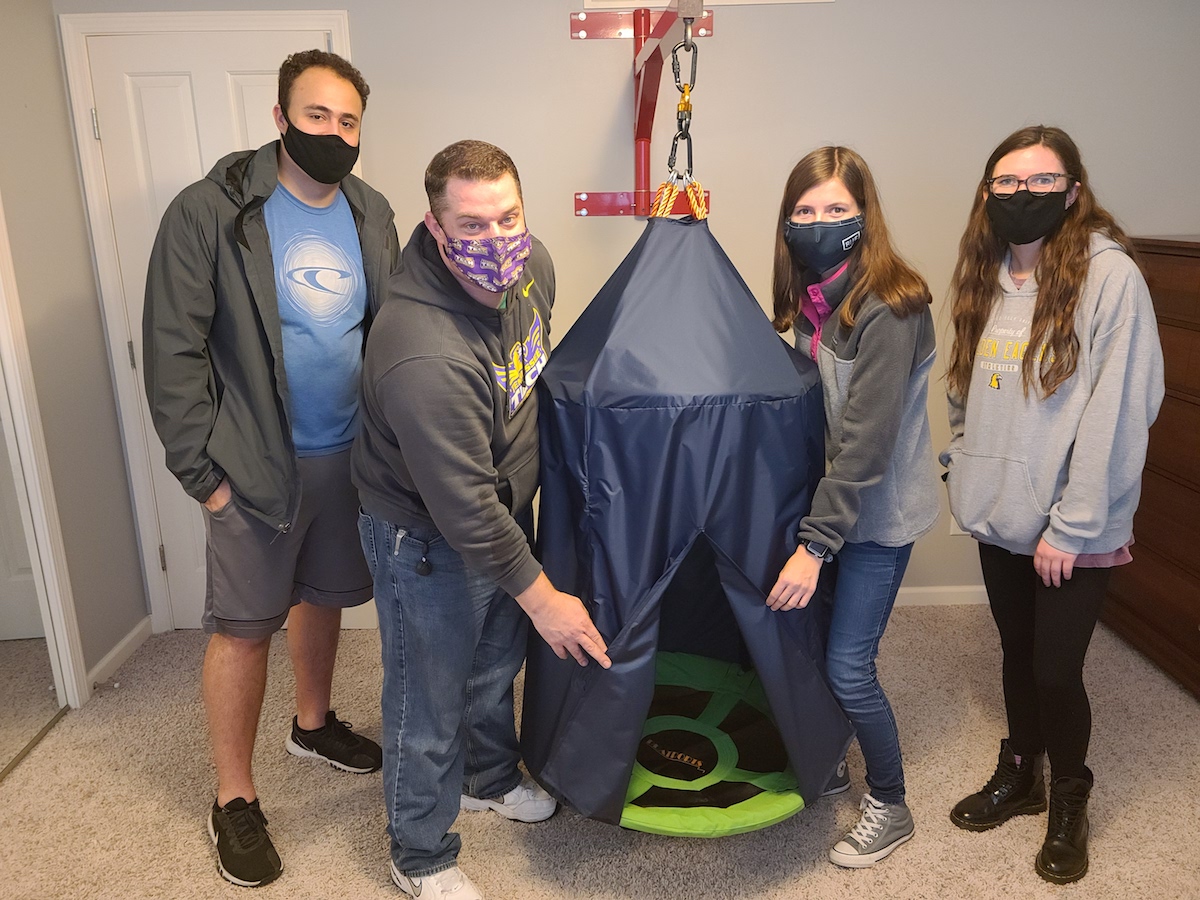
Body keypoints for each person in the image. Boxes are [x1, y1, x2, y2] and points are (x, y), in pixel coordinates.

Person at [143, 50, 397, 888]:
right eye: (317, 116)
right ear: (281, 118)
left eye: (348, 120)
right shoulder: (209, 212)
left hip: (349, 459)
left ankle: (313, 723)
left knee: (321, 597)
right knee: (246, 625)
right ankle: (235, 799)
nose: (334, 133)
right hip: (253, 467)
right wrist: (205, 478)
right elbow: (173, 354)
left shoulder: (371, 211)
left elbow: (387, 329)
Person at [353, 140, 611, 900]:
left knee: (496, 665)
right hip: (425, 538)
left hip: (501, 508)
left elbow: (525, 387)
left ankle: (489, 776)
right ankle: (420, 852)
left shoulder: (536, 272)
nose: (496, 241)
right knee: (426, 697)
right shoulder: (419, 350)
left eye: (508, 217)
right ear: (435, 228)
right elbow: (461, 506)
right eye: (470, 226)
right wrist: (545, 596)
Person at [942, 125, 1164, 884]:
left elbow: (1119, 413)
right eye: (1006, 182)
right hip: (1000, 510)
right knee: (1014, 653)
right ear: (987, 193)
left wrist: (1070, 526)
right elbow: (965, 384)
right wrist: (963, 464)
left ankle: (1071, 794)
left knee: (1055, 669)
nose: (1021, 196)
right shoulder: (986, 273)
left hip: (1075, 524)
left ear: (1073, 191)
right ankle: (1022, 774)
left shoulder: (1110, 280)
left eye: (1040, 183)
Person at [765, 146, 940, 868]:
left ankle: (891, 803)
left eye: (836, 209)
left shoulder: (890, 309)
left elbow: (865, 446)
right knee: (812, 647)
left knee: (848, 667)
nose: (818, 222)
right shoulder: (807, 301)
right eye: (804, 211)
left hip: (872, 521)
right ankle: (829, 755)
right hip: (829, 513)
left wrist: (814, 548)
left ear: (864, 218)